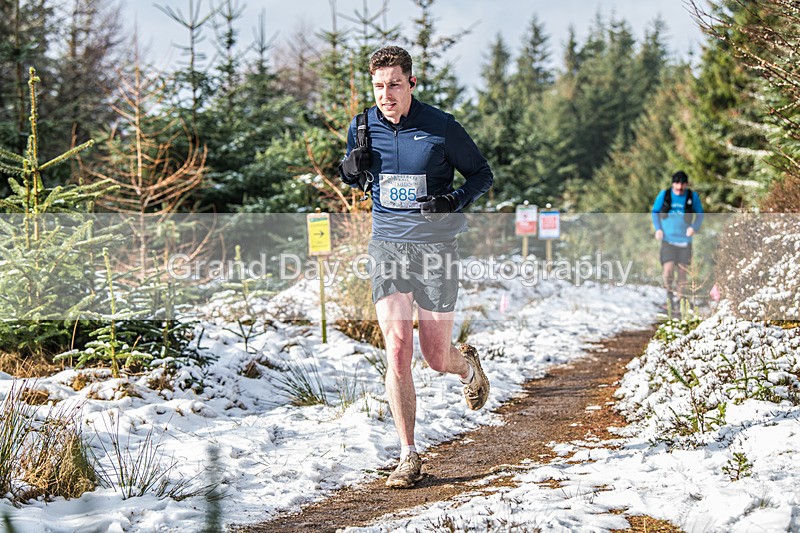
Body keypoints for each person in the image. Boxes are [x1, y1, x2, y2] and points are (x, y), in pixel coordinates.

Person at [338, 45, 494, 489]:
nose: (386, 94)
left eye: (394, 84)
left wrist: (453, 200)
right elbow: (357, 176)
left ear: (411, 83)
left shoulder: (441, 127)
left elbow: (482, 174)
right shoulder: (363, 125)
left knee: (435, 356)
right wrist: (350, 169)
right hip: (387, 247)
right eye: (378, 86)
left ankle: (467, 368)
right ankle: (408, 455)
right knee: (398, 347)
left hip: (436, 249)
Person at [651, 170, 705, 309]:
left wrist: (694, 227)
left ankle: (681, 301)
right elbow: (655, 212)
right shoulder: (665, 195)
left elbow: (700, 214)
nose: (679, 188)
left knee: (682, 272)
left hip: (685, 241)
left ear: (686, 184)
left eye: (682, 185)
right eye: (677, 185)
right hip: (668, 240)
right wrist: (658, 228)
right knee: (668, 270)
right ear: (673, 184)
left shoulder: (692, 196)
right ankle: (669, 297)